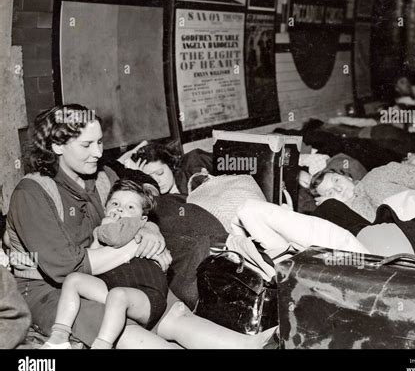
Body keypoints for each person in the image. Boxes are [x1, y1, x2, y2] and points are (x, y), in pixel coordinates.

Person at [7, 104, 275, 349]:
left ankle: (251, 345)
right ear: (57, 146)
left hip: (108, 273)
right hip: (51, 290)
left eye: (100, 142)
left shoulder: (103, 176)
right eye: (87, 145)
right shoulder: (30, 194)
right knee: (127, 331)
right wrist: (136, 246)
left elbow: (141, 202)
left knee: (175, 315)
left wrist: (149, 229)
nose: (98, 153)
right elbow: (65, 268)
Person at [41, 180, 168, 349]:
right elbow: (92, 267)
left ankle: (102, 345)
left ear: (143, 218)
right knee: (74, 280)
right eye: (115, 203)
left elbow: (116, 237)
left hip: (147, 296)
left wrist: (112, 225)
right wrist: (102, 230)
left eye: (131, 207)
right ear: (106, 208)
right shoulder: (100, 230)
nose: (120, 209)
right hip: (113, 288)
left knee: (118, 295)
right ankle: (59, 335)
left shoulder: (141, 228)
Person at [309, 162, 415, 222]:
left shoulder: (377, 174)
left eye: (336, 180)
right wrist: (332, 207)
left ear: (348, 177)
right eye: (330, 192)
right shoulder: (346, 216)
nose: (338, 189)